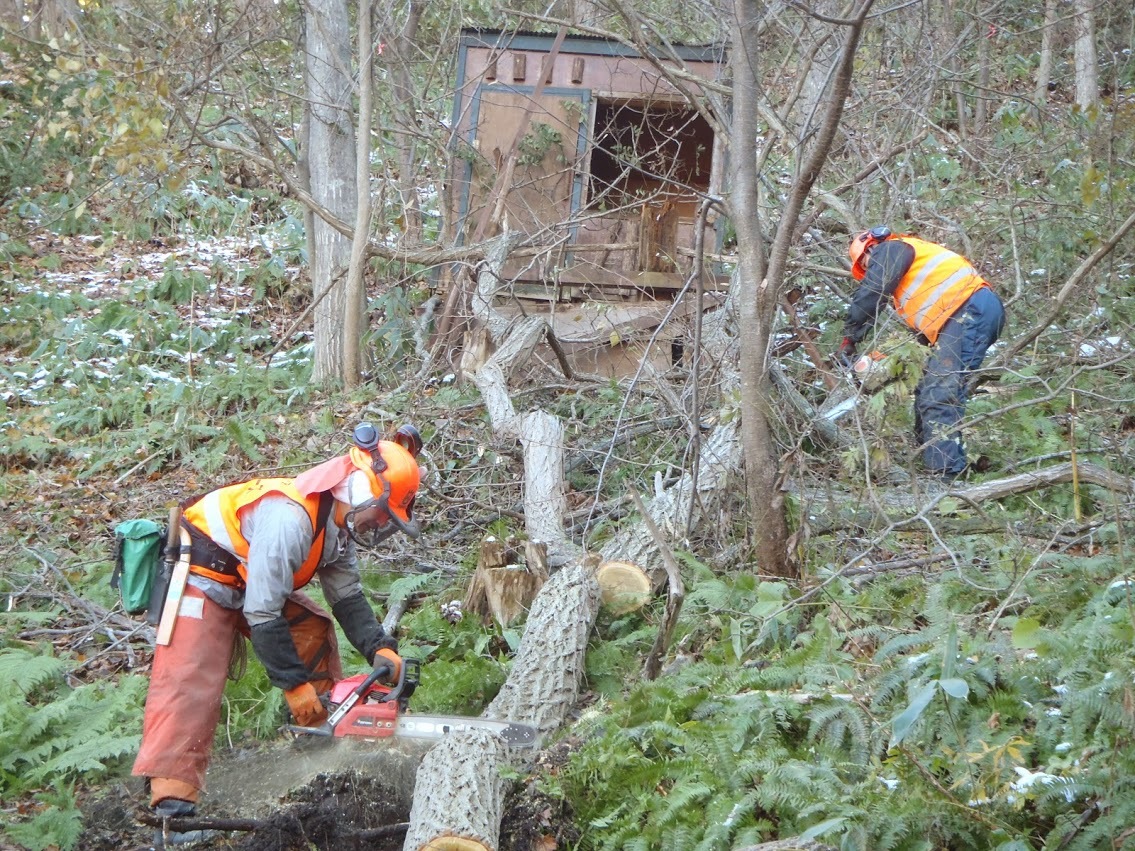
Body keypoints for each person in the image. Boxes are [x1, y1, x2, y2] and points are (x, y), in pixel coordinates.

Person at [133, 423, 425, 844]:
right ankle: (173, 814)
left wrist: (380, 648)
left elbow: (346, 598)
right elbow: (263, 612)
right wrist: (293, 686)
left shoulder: (335, 528)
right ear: (360, 488)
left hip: (246, 578)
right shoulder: (291, 518)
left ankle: (321, 740)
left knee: (312, 628)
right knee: (190, 680)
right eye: (383, 511)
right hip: (202, 574)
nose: (381, 522)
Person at [837, 227, 1005, 479]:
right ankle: (930, 464)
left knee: (939, 394)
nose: (870, 269)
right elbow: (920, 343)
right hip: (965, 314)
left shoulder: (892, 249)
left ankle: (948, 478)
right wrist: (888, 364)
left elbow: (872, 292)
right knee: (927, 388)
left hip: (969, 310)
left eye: (867, 264)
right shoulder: (910, 286)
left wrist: (850, 338)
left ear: (870, 250)